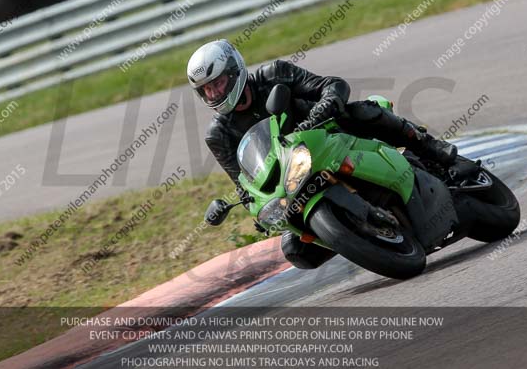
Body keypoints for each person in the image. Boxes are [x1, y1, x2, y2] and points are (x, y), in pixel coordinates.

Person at [187, 39, 458, 269]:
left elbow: (333, 86)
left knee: (364, 111)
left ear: (234, 72)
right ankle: (355, 234)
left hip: (329, 134)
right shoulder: (218, 135)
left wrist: (319, 112)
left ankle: (430, 146)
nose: (214, 93)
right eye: (207, 90)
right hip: (294, 178)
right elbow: (244, 183)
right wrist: (254, 206)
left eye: (218, 83)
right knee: (296, 250)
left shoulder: (274, 74)